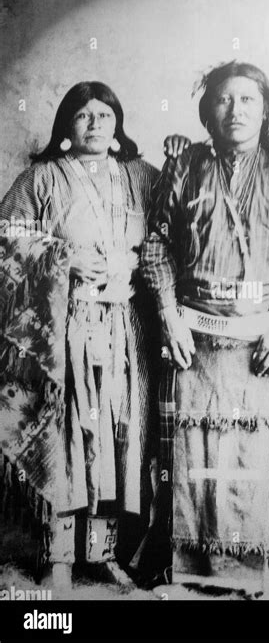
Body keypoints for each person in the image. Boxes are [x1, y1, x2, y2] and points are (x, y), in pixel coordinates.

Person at [138, 61, 269, 593]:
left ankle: (250, 571)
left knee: (251, 454)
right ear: (207, 111)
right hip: (193, 336)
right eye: (223, 100)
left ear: (266, 110)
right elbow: (157, 244)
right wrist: (169, 314)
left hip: (263, 338)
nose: (235, 110)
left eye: (247, 100)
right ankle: (188, 569)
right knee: (192, 453)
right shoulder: (185, 165)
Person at [0, 81, 189, 587]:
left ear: (118, 124)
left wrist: (180, 153)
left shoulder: (140, 176)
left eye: (105, 115)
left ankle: (101, 552)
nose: (95, 125)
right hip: (65, 328)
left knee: (114, 437)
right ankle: (58, 556)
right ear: (66, 126)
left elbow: (174, 218)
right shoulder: (41, 178)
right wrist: (58, 258)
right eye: (83, 116)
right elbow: (5, 239)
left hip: (126, 329)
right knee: (67, 435)